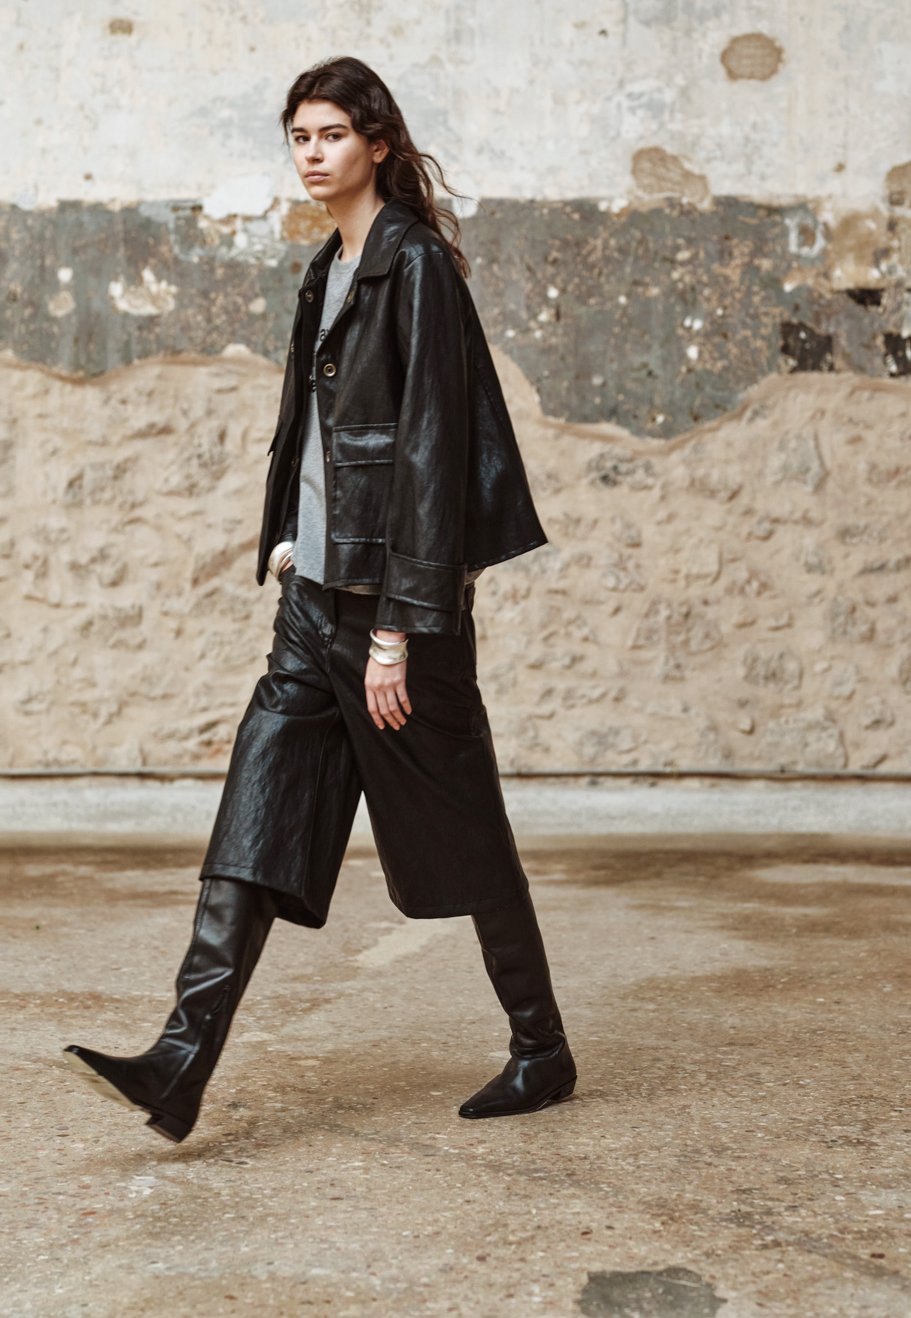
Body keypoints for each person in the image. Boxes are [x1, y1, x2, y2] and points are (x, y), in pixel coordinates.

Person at [62, 57, 576, 1143]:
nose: (312, 153)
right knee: (256, 815)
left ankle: (541, 1050)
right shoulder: (326, 267)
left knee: (464, 831)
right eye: (299, 136)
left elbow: (429, 453)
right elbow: (328, 438)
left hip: (393, 617)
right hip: (311, 606)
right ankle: (179, 1061)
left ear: (377, 144)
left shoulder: (413, 265)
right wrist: (298, 541)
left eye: (332, 134)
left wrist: (395, 627)